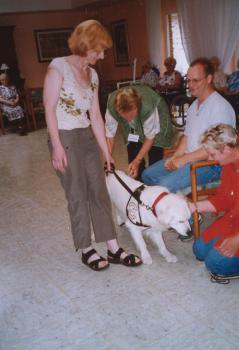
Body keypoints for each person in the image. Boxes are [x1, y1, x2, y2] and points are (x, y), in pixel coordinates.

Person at [43, 19, 142, 271]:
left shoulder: (93, 74)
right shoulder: (58, 69)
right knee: (77, 194)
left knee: (99, 191)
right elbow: (49, 109)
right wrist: (56, 145)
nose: (102, 54)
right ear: (85, 45)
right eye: (99, 49)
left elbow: (95, 116)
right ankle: (86, 249)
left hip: (86, 135)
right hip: (64, 137)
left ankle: (112, 248)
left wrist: (106, 152)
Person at [142, 57, 236, 193]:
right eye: (189, 80)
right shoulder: (193, 106)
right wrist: (176, 157)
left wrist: (183, 159)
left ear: (209, 79)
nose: (191, 85)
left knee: (163, 186)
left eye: (196, 80)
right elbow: (186, 137)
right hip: (190, 158)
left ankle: (185, 210)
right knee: (147, 175)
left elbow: (215, 149)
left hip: (211, 164)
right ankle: (175, 203)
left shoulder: (220, 107)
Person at [189, 124, 239, 277]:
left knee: (215, 264)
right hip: (234, 219)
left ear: (226, 150)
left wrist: (237, 240)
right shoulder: (229, 166)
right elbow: (224, 198)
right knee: (199, 249)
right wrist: (193, 206)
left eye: (213, 154)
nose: (210, 159)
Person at [105, 84, 173, 180]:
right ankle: (140, 183)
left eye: (131, 115)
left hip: (157, 114)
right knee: (133, 154)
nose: (128, 119)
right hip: (136, 121)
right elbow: (110, 137)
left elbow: (150, 138)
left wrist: (137, 161)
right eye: (124, 116)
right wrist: (108, 159)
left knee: (155, 156)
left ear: (137, 106)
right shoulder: (111, 106)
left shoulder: (147, 107)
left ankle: (154, 183)